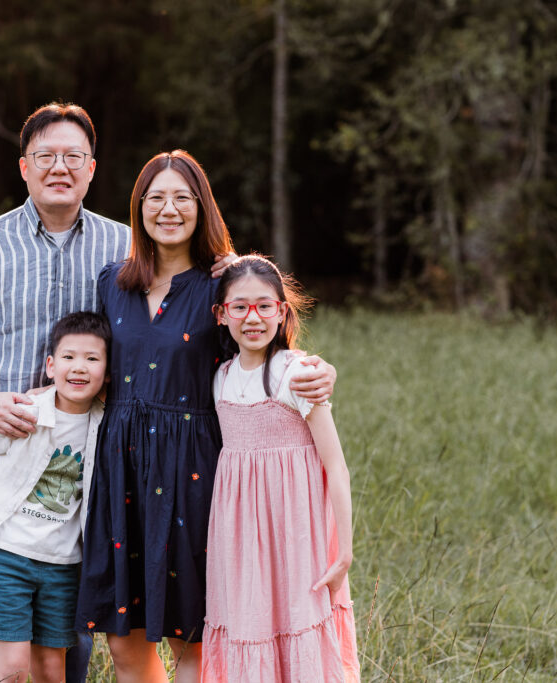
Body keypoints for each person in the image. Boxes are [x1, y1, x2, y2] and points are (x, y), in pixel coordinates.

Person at [75, 151, 338, 683]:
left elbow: (267, 346)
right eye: (156, 198)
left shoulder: (220, 284)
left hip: (193, 475)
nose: (168, 209)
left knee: (191, 641)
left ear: (202, 207)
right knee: (124, 647)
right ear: (138, 208)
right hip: (121, 469)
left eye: (182, 198)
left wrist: (319, 370)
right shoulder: (112, 283)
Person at [0, 102, 131, 683]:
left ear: (92, 168)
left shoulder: (123, 249)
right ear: (24, 166)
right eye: (46, 156)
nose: (59, 167)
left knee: (71, 624)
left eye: (73, 156)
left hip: (85, 457)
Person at [202, 255, 360, 682]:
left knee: (297, 627)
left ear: (282, 312)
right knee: (250, 627)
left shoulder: (296, 374)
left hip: (296, 536)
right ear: (221, 315)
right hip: (239, 542)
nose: (252, 318)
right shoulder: (219, 378)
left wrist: (343, 552)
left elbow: (336, 467)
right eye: (240, 307)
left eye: (264, 306)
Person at [0, 312, 110, 683]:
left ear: (108, 372)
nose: (79, 367)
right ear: (50, 366)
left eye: (92, 359)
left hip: (63, 563)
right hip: (7, 556)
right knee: (13, 668)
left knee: (52, 668)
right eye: (68, 357)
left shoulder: (106, 423)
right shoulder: (27, 412)